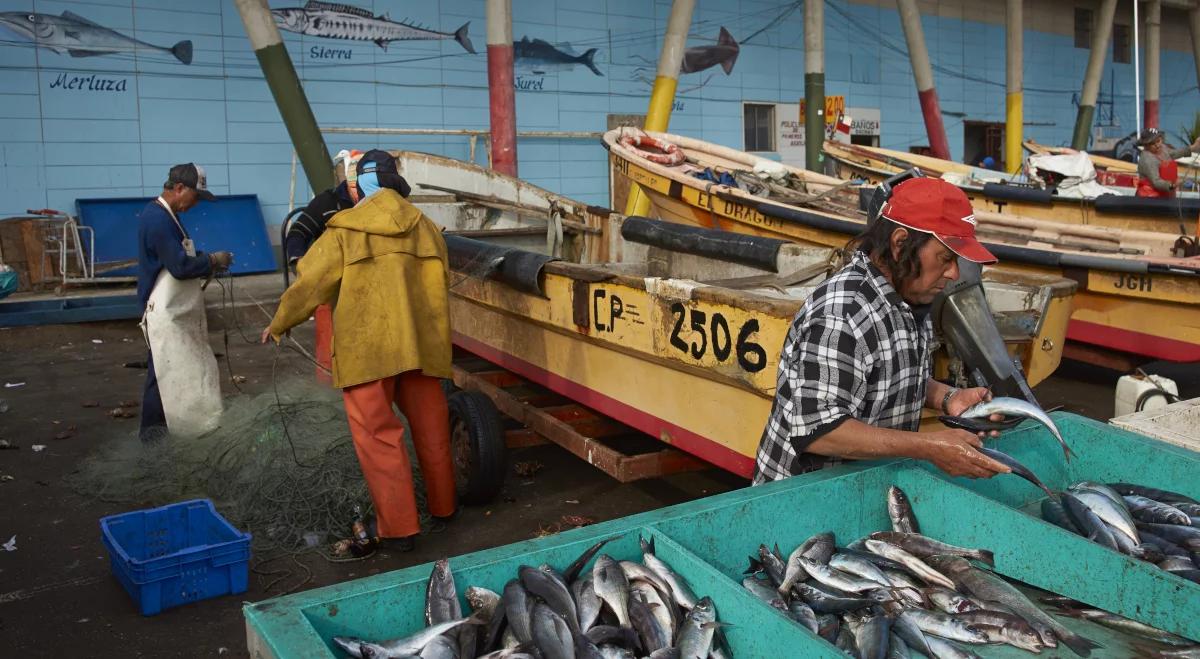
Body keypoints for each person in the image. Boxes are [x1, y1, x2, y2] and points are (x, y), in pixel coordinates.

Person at [753, 177, 1012, 484]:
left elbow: (885, 374)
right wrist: (930, 447)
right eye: (946, 258)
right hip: (799, 497)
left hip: (862, 484)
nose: (954, 273)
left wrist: (948, 397)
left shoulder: (909, 296)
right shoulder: (842, 313)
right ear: (900, 243)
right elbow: (819, 431)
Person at [261, 150, 454, 552]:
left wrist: (280, 323)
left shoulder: (344, 230)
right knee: (432, 428)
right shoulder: (430, 229)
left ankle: (401, 532)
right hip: (423, 347)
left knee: (380, 437)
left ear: (361, 185)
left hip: (370, 353)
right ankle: (444, 508)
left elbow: (311, 285)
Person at [137, 163, 233, 442]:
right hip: (163, 313)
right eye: (196, 196)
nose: (196, 204)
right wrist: (212, 261)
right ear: (179, 189)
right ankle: (152, 439)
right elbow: (179, 267)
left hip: (175, 309)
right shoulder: (157, 219)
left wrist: (205, 261)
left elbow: (179, 257)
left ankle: (176, 427)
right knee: (162, 373)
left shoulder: (169, 217)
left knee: (171, 369)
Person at [1136, 128, 1200, 198]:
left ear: (1161, 139)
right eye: (1152, 144)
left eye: (1158, 141)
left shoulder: (1163, 148)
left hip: (1166, 193)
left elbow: (1174, 153)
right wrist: (1172, 185)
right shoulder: (1147, 159)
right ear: (1146, 145)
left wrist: (1193, 148)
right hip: (1149, 197)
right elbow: (1156, 182)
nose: (1157, 145)